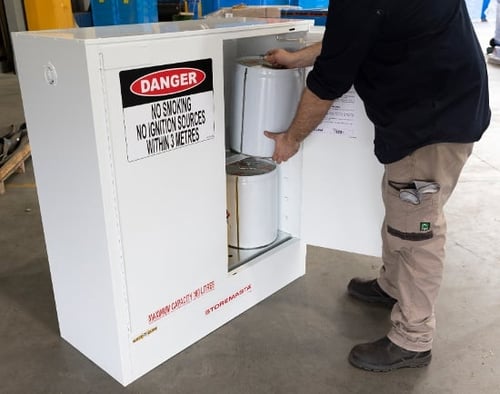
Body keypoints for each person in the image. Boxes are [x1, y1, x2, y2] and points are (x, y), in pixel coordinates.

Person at [263, 0, 491, 372]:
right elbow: (353, 35)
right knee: (402, 206)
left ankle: (413, 339)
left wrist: (290, 139)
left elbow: (326, 86)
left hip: (434, 121)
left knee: (417, 231)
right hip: (440, 104)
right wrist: (296, 58)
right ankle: (392, 286)